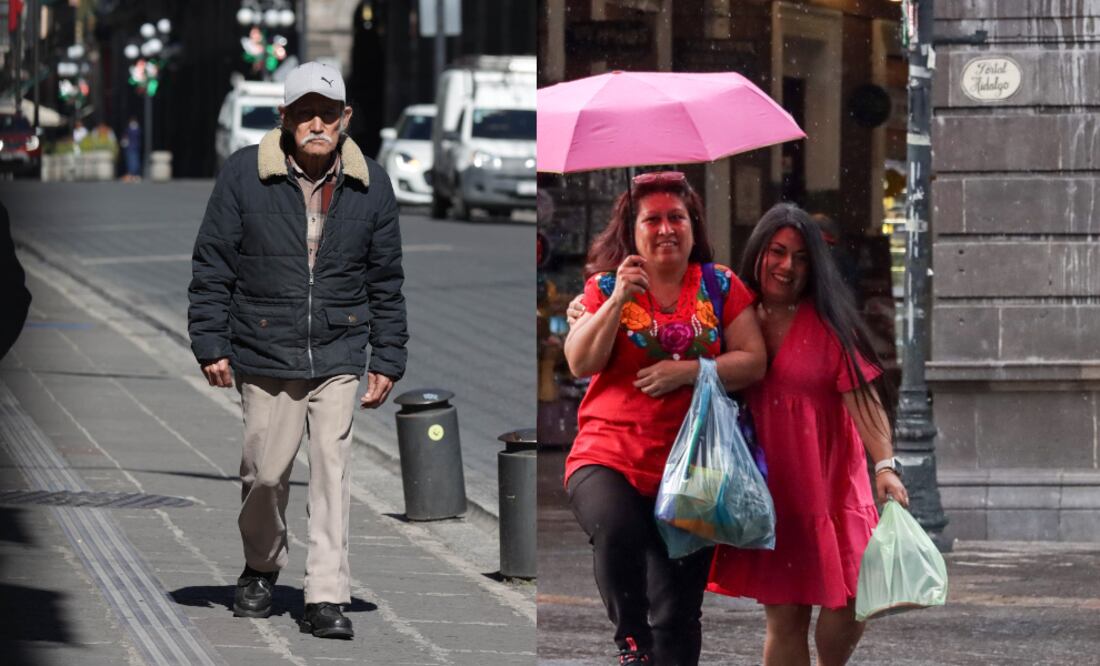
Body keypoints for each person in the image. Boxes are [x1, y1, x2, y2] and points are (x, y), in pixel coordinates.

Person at [187, 61, 407, 639]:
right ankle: (261, 566)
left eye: (327, 114)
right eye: (305, 113)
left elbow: (386, 280)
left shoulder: (371, 183)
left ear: (345, 118)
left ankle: (326, 594)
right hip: (265, 345)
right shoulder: (244, 175)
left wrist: (387, 356)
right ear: (283, 117)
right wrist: (210, 342)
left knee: (333, 469)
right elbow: (212, 265)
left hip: (339, 346)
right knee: (264, 474)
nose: (317, 124)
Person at [563, 171, 767, 665]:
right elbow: (580, 362)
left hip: (695, 467)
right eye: (651, 220)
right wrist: (617, 300)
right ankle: (631, 643)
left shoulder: (720, 285)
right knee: (616, 528)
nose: (665, 229)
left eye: (676, 217)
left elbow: (754, 361)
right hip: (609, 456)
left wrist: (690, 371)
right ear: (631, 231)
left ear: (693, 226)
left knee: (677, 613)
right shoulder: (604, 287)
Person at [707, 203, 908, 666]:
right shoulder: (733, 317)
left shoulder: (831, 323)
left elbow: (864, 399)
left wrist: (885, 466)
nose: (787, 266)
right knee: (785, 618)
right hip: (772, 490)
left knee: (851, 599)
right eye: (777, 252)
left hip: (835, 485)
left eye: (800, 257)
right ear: (758, 253)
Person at [120, 117, 141, 181]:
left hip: (132, 148)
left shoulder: (130, 130)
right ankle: (133, 175)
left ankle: (133, 175)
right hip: (132, 148)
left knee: (133, 162)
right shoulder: (133, 129)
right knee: (132, 161)